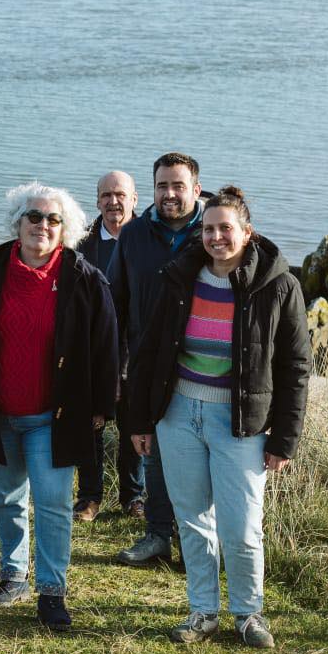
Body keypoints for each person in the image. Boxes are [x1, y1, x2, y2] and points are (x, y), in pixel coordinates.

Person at [127, 187, 311, 648]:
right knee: (191, 519)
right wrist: (140, 420)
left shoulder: (278, 284)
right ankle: (202, 611)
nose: (216, 237)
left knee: (242, 527)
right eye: (208, 228)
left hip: (241, 423)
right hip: (178, 414)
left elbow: (296, 367)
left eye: (226, 228)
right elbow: (148, 353)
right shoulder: (179, 277)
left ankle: (248, 614)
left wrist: (283, 438)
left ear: (247, 232)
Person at [0, 184, 118, 629]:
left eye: (53, 220)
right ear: (17, 222)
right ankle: (13, 575)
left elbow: (107, 345)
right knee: (7, 500)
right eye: (34, 217)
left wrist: (101, 404)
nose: (43, 226)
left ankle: (52, 591)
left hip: (54, 416)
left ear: (65, 228)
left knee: (52, 502)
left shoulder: (86, 280)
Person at [109, 152, 205, 566]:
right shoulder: (133, 236)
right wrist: (118, 366)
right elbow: (115, 302)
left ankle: (195, 542)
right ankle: (157, 535)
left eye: (178, 185)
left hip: (203, 365)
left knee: (202, 460)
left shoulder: (215, 231)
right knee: (155, 452)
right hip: (149, 366)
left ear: (196, 189)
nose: (169, 194)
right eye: (162, 185)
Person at [73, 170, 145, 522]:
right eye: (106, 195)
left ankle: (134, 497)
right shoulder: (81, 243)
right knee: (91, 425)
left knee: (134, 426)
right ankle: (89, 496)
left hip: (138, 347)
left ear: (134, 199)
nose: (113, 202)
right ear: (97, 200)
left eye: (120, 194)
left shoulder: (147, 238)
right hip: (93, 350)